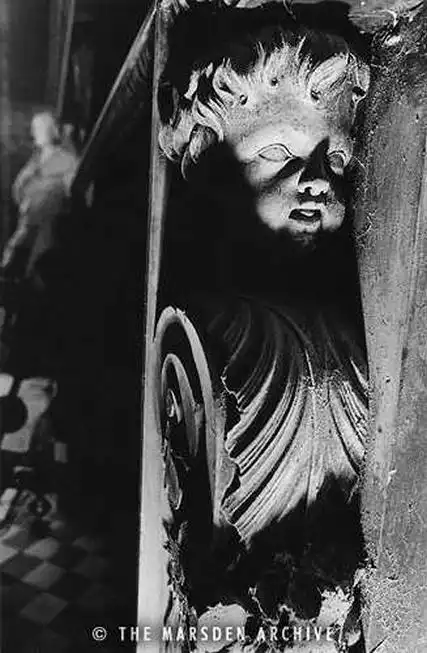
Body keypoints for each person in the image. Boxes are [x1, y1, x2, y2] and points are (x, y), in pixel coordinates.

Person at [1, 111, 78, 280]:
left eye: (39, 128)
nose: (35, 132)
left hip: (47, 223)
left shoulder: (66, 159)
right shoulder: (36, 158)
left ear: (51, 131)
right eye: (35, 128)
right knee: (15, 258)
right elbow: (19, 187)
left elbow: (71, 189)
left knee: (35, 261)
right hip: (27, 218)